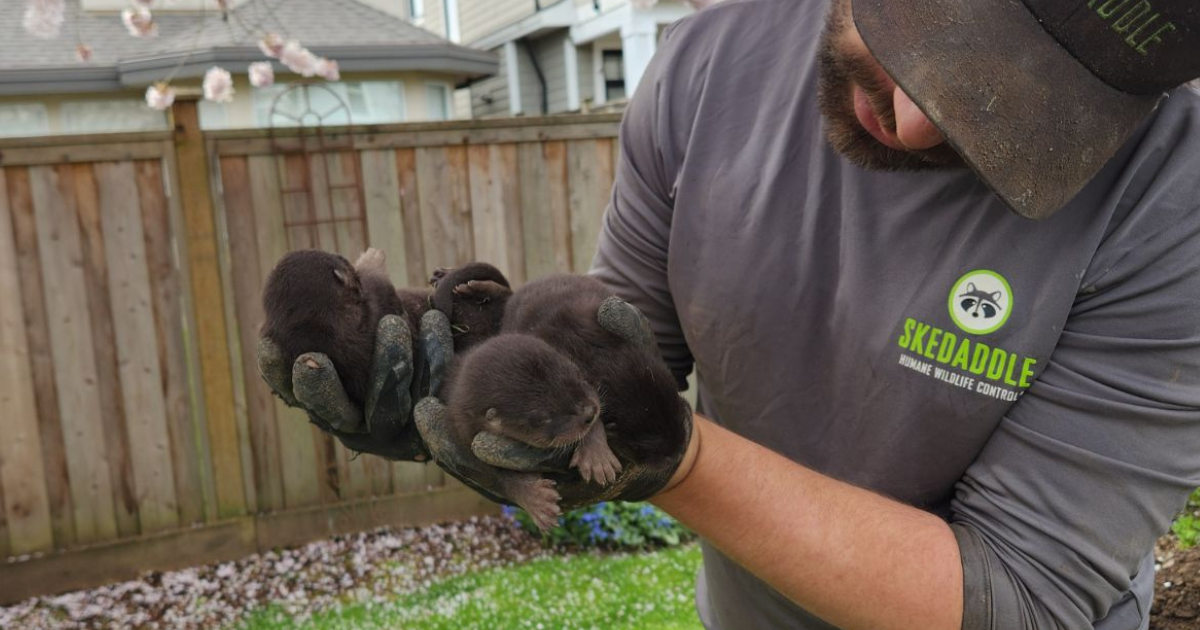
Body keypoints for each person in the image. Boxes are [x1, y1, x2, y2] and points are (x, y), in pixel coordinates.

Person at [260, 0, 1200, 628]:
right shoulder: (711, 68)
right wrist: (475, 360)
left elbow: (1020, 596)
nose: (912, 120)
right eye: (929, 26)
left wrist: (681, 457)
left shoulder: (1172, 200)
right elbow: (630, 354)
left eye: (1013, 101)